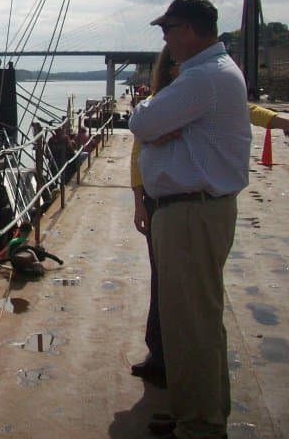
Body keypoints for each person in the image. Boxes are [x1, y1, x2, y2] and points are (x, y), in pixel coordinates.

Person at [128, 0, 251, 439]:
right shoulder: (212, 75)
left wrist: (151, 121)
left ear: (190, 30)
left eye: (168, 28)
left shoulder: (203, 79)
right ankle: (199, 411)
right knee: (197, 318)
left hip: (190, 214)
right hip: (195, 210)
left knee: (190, 324)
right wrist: (160, 126)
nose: (164, 38)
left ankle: (199, 426)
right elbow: (155, 126)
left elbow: (141, 124)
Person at [129, 45, 178, 387]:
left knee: (178, 286)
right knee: (161, 281)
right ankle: (159, 352)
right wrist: (138, 200)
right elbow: (137, 149)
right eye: (172, 64)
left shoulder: (193, 96)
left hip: (182, 201)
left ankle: (172, 358)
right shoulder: (160, 104)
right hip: (157, 199)